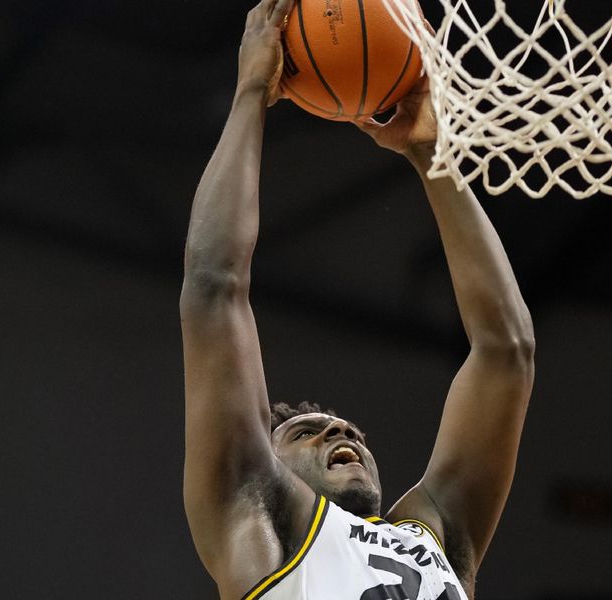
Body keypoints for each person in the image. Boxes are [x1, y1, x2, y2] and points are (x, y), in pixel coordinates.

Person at [179, 1, 535, 598]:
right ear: (267, 468)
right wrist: (248, 94)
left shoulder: (435, 534)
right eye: (304, 434)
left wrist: (430, 157)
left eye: (340, 427)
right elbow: (214, 284)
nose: (340, 427)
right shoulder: (259, 514)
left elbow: (508, 351)